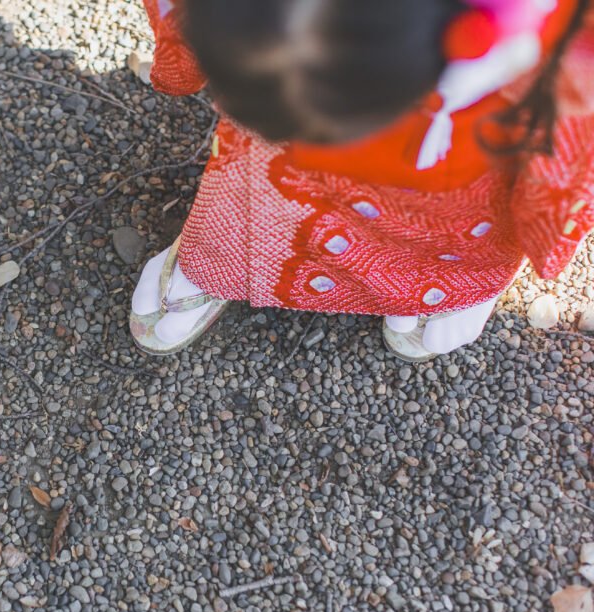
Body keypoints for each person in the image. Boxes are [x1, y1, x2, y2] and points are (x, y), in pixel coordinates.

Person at [130, 0, 594, 360]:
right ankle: (218, 260)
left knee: (488, 184)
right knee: (272, 144)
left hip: (483, 94)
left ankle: (456, 284)